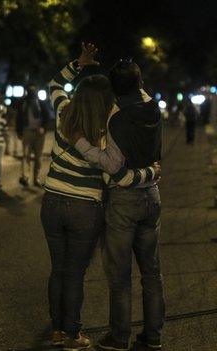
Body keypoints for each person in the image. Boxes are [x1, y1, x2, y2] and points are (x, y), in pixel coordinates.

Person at [42, 43, 160, 350]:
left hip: (52, 200)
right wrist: (150, 173)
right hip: (86, 206)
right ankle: (72, 335)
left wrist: (78, 63)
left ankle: (56, 331)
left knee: (59, 268)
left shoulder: (64, 111)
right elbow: (115, 173)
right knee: (77, 272)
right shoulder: (105, 127)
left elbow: (54, 84)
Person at [71, 59, 165, 351]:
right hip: (152, 194)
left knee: (120, 275)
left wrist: (84, 147)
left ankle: (120, 337)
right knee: (151, 272)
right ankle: (153, 336)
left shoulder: (116, 118)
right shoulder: (151, 107)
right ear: (139, 84)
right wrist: (147, 172)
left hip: (124, 200)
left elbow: (113, 165)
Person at [17, 84, 51, 187]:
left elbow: (47, 116)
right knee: (26, 156)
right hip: (27, 131)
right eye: (29, 90)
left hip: (38, 133)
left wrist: (43, 128)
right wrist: (18, 132)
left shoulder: (41, 102)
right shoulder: (23, 103)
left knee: (38, 157)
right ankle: (25, 177)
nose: (31, 92)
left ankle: (36, 178)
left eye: (33, 90)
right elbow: (18, 118)